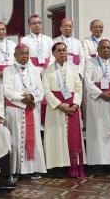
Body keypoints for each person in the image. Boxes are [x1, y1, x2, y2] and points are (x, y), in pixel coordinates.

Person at [3, 43, 47, 179]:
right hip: (15, 110)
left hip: (31, 109)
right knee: (15, 140)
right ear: (15, 55)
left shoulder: (34, 70)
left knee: (33, 139)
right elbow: (8, 92)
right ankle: (15, 170)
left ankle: (33, 168)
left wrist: (32, 97)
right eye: (22, 53)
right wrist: (23, 99)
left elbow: (41, 90)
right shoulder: (8, 70)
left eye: (27, 53)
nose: (25, 56)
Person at [42, 42, 85, 177]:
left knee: (72, 139)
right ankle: (56, 167)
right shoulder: (47, 70)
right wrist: (59, 104)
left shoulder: (73, 69)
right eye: (59, 51)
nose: (62, 53)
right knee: (56, 137)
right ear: (53, 53)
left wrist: (76, 104)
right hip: (56, 109)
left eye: (65, 50)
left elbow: (78, 88)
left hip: (72, 108)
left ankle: (72, 167)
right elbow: (46, 91)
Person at [84, 39, 110, 166]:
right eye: (103, 47)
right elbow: (88, 82)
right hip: (97, 102)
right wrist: (101, 93)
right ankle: (98, 162)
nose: (106, 50)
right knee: (98, 130)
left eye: (108, 48)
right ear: (97, 49)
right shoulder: (90, 63)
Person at [20, 14, 53, 125]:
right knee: (36, 97)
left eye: (39, 22)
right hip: (32, 73)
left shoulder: (48, 39)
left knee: (48, 97)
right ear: (30, 25)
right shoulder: (25, 39)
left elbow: (52, 56)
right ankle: (37, 125)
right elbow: (25, 57)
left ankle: (46, 124)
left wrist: (47, 70)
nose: (37, 25)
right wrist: (36, 72)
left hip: (47, 71)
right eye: (34, 23)